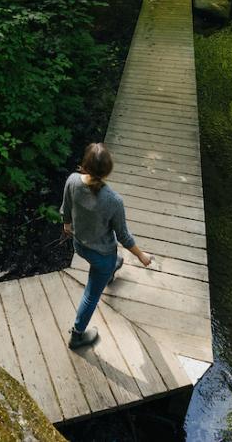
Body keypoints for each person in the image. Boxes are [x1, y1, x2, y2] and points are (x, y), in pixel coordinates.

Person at [60, 142, 153, 350]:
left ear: (84, 164)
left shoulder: (72, 181)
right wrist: (141, 256)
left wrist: (67, 225)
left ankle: (112, 267)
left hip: (80, 245)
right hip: (102, 255)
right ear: (107, 171)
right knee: (91, 294)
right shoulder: (113, 200)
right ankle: (77, 336)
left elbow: (66, 208)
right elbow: (124, 236)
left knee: (109, 263)